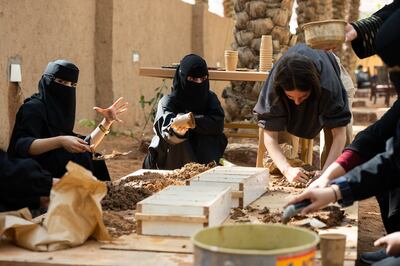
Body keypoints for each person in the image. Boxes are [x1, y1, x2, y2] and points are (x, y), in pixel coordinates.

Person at [8, 60, 128, 181]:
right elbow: (23, 146)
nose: (67, 88)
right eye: (61, 81)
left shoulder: (60, 113)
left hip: (53, 166)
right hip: (29, 172)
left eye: (72, 85)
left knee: (93, 158)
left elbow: (85, 146)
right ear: (47, 81)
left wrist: (107, 121)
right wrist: (60, 141)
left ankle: (99, 197)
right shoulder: (33, 108)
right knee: (77, 160)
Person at [253, 43, 353, 184]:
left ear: (313, 89)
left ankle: (331, 179)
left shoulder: (328, 87)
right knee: (279, 147)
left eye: (303, 97)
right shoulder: (274, 88)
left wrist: (326, 174)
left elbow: (339, 135)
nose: (297, 103)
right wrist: (287, 170)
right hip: (292, 85)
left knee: (342, 144)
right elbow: (269, 135)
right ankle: (292, 176)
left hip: (334, 75)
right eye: (291, 97)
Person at [143, 54, 227, 170]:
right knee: (179, 140)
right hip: (170, 164)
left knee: (210, 137)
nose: (198, 83)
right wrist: (179, 130)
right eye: (192, 79)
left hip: (203, 161)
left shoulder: (210, 98)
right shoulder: (168, 102)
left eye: (202, 79)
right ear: (182, 77)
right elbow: (167, 130)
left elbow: (217, 124)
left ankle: (204, 172)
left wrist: (190, 121)